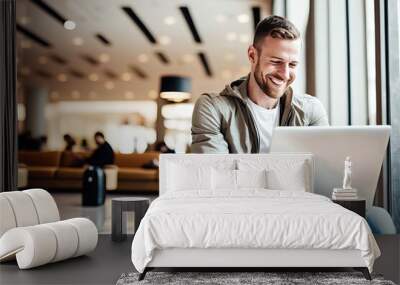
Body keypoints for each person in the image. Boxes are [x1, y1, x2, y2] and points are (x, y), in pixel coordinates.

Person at [191, 15, 329, 154]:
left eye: (292, 64)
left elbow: (325, 171)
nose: (285, 74)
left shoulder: (310, 111)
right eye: (276, 62)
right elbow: (215, 173)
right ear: (252, 55)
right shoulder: (213, 109)